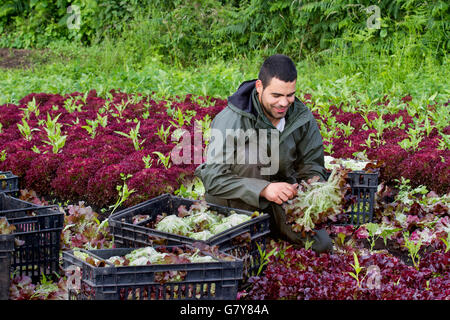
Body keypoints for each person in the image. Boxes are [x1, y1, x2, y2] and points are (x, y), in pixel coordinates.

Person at [194, 54, 333, 253]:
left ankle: (272, 228)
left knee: (321, 246)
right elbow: (214, 178)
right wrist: (264, 189)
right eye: (276, 95)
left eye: (290, 95)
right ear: (259, 86)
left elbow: (312, 163)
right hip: (237, 201)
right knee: (252, 156)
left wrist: (310, 185)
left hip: (280, 198)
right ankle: (251, 232)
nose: (284, 103)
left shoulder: (301, 117)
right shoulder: (232, 119)